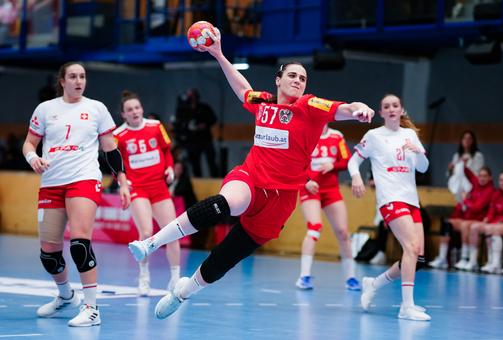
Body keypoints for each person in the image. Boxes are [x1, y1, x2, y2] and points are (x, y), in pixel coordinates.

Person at [128, 26, 374, 320]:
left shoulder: (310, 106)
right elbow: (242, 88)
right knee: (226, 203)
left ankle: (183, 292)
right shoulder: (264, 102)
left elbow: (344, 107)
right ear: (278, 80)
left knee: (226, 256)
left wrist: (360, 110)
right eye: (292, 75)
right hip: (251, 178)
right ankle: (151, 243)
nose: (297, 80)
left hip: (280, 199)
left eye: (302, 78)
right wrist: (218, 54)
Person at [22, 62, 130, 327]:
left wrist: (123, 181)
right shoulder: (46, 109)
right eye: (72, 76)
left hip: (83, 180)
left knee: (80, 244)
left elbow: (110, 149)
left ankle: (92, 309)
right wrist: (32, 157)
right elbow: (29, 143)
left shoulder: (96, 109)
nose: (78, 81)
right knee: (49, 254)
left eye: (82, 76)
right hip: (51, 183)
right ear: (62, 81)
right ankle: (65, 296)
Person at [348, 94, 430, 321]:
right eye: (386, 106)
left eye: (395, 105)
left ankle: (374, 284)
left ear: (401, 109)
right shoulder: (374, 136)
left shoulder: (410, 135)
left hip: (411, 200)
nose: (391, 109)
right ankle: (407, 306)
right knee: (411, 248)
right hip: (390, 198)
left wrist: (418, 150)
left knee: (418, 258)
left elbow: (423, 168)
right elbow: (353, 161)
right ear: (381, 112)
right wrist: (356, 177)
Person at [114, 91, 181, 295]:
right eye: (129, 110)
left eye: (137, 107)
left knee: (172, 232)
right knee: (146, 233)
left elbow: (167, 151)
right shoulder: (119, 136)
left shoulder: (155, 126)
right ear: (123, 114)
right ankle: (144, 277)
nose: (134, 111)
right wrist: (123, 184)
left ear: (141, 109)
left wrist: (169, 168)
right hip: (138, 189)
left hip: (159, 187)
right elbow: (117, 166)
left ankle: (176, 280)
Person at [295, 123, 360, 291]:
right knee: (315, 227)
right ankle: (304, 276)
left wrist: (333, 165)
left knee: (343, 233)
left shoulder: (336, 136)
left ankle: (351, 278)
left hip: (331, 189)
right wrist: (306, 181)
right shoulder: (305, 134)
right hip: (310, 188)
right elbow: (295, 162)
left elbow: (347, 160)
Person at [429, 165, 494, 270]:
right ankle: (442, 258)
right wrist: (460, 164)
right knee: (447, 223)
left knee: (465, 225)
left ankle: (466, 258)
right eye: (480, 176)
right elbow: (468, 173)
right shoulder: (475, 184)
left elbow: (477, 208)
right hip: (468, 219)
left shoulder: (490, 191)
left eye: (485, 176)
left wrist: (465, 200)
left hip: (478, 220)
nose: (482, 178)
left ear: (490, 178)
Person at [465, 171, 503, 274]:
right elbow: (491, 212)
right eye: (501, 180)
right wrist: (487, 219)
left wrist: (500, 221)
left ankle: (496, 263)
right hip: (496, 223)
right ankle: (475, 261)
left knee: (492, 229)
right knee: (474, 227)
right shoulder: (496, 194)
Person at [172, 88, 219, 177]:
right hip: (192, 139)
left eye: (192, 96)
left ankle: (215, 177)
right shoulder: (184, 109)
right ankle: (198, 178)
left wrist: (204, 124)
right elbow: (179, 122)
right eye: (189, 96)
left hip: (205, 138)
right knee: (194, 161)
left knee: (211, 159)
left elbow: (213, 119)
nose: (191, 98)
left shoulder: (204, 108)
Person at [447, 130, 484, 203]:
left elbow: (477, 174)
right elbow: (452, 175)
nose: (467, 140)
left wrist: (465, 166)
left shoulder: (478, 156)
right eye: (464, 138)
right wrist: (451, 169)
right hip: (459, 187)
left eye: (469, 138)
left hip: (471, 186)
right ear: (461, 140)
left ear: (473, 141)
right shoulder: (457, 156)